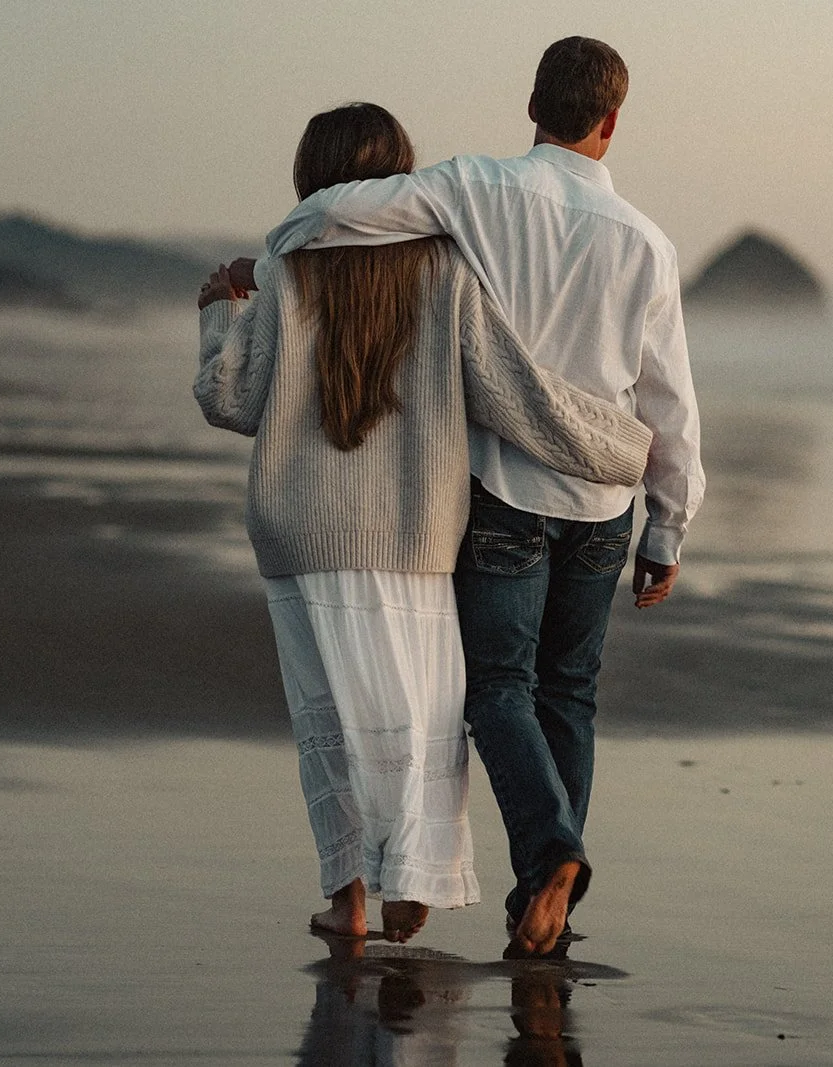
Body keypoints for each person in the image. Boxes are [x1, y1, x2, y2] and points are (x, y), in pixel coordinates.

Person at [242, 38, 705, 957]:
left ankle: (552, 852)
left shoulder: (472, 188)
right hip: (603, 501)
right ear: (612, 122)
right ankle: (547, 902)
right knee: (569, 695)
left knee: (498, 690)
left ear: (532, 105)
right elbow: (671, 400)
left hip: (506, 492)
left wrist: (281, 247)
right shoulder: (647, 242)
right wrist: (669, 525)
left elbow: (345, 207)